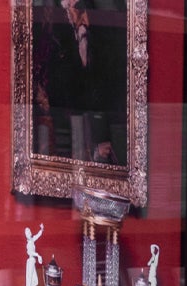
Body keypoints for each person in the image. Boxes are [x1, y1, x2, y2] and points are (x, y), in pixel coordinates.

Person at [40, 0, 127, 166]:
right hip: (71, 128)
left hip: (100, 127)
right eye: (72, 6)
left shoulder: (100, 32)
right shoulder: (55, 35)